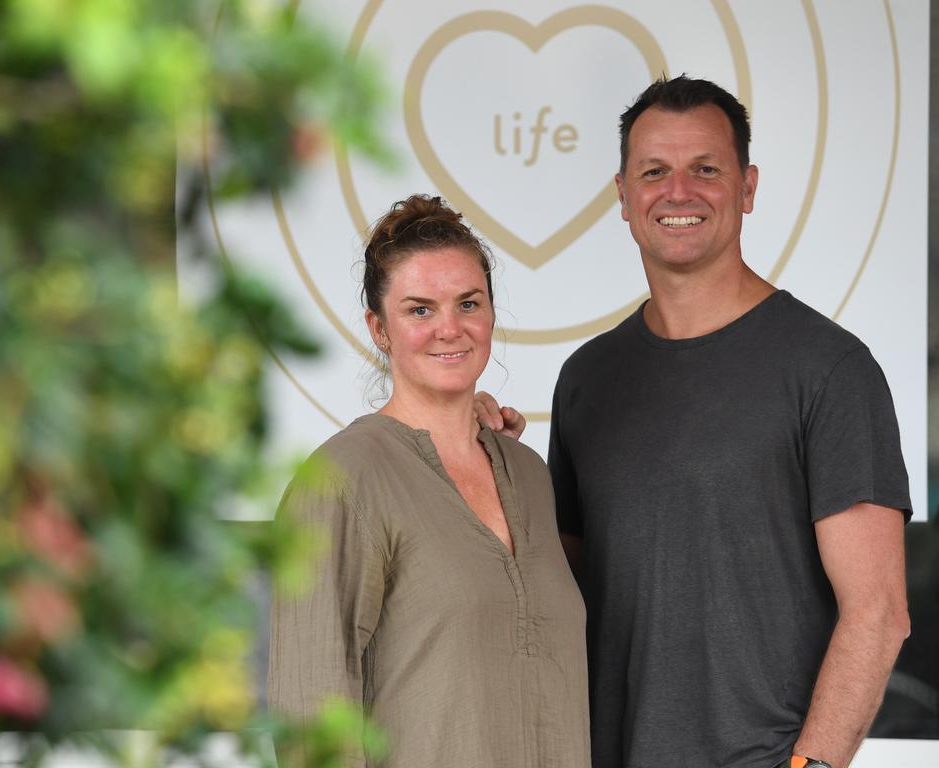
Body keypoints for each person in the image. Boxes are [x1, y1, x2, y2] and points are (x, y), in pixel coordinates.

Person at [477, 75, 911, 768]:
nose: (678, 192)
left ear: (748, 187)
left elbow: (879, 612)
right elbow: (555, 595)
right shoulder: (590, 378)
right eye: (655, 172)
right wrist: (486, 467)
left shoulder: (830, 369)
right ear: (623, 195)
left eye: (705, 169)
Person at [268, 194, 589, 767]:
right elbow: (309, 722)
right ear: (379, 328)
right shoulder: (342, 482)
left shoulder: (529, 476)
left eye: (469, 303)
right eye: (419, 309)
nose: (450, 329)